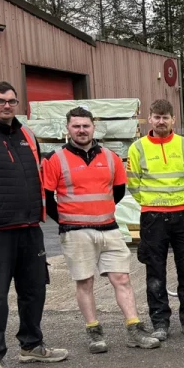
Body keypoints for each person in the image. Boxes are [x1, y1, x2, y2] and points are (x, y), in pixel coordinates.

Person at [42, 107, 160, 353]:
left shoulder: (110, 157)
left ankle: (134, 329)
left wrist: (100, 212)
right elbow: (47, 197)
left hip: (109, 228)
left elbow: (117, 191)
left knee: (122, 279)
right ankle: (94, 332)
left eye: (86, 125)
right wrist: (67, 220)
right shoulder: (56, 159)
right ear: (68, 128)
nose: (81, 130)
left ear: (93, 127)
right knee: (85, 281)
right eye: (76, 126)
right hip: (75, 232)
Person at [0, 82, 68, 368]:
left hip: (30, 227)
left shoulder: (26, 134)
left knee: (34, 290)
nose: (7, 106)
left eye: (12, 101)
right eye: (0, 100)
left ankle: (31, 345)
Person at [126, 99, 184, 340]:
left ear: (173, 119)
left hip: (183, 214)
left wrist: (182, 199)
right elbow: (133, 182)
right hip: (153, 217)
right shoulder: (137, 148)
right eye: (156, 117)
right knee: (155, 272)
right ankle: (160, 322)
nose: (161, 121)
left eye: (165, 117)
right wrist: (150, 202)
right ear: (150, 118)